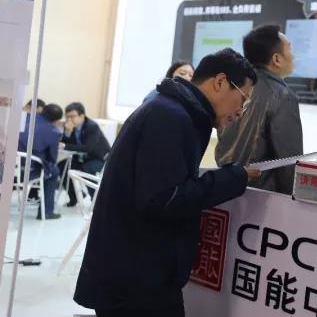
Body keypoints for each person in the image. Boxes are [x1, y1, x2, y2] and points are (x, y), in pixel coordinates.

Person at [74, 48, 261, 317]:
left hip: (136, 273)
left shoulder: (173, 111)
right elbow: (164, 198)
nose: (240, 111)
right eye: (242, 99)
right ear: (220, 82)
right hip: (137, 282)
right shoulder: (171, 117)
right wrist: (232, 178)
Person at [215, 25, 302, 194]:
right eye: (290, 48)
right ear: (277, 59)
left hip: (224, 189)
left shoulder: (232, 88)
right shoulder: (282, 95)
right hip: (263, 199)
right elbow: (289, 162)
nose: (293, 55)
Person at [17, 103, 63, 220]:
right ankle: (46, 212)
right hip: (28, 173)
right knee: (54, 171)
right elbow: (52, 158)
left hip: (7, 169)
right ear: (56, 121)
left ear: (42, 111)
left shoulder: (23, 118)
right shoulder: (54, 132)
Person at [61, 102, 111, 206]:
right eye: (67, 117)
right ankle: (74, 197)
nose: (69, 120)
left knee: (87, 168)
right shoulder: (69, 126)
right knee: (62, 166)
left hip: (99, 158)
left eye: (72, 116)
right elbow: (66, 143)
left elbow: (88, 148)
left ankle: (96, 200)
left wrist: (65, 146)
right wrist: (67, 133)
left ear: (82, 116)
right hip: (82, 158)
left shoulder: (92, 126)